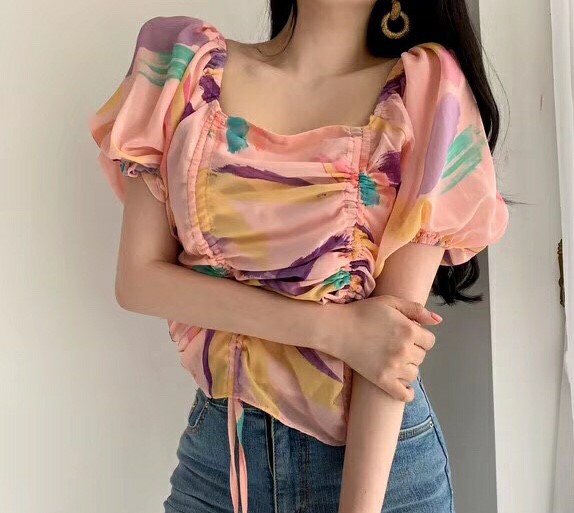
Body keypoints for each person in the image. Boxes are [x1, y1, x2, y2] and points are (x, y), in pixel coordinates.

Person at [88, 2, 509, 512]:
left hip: (378, 472)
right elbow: (138, 280)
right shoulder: (181, 63)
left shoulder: (428, 90)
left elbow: (389, 348)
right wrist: (334, 331)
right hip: (221, 462)